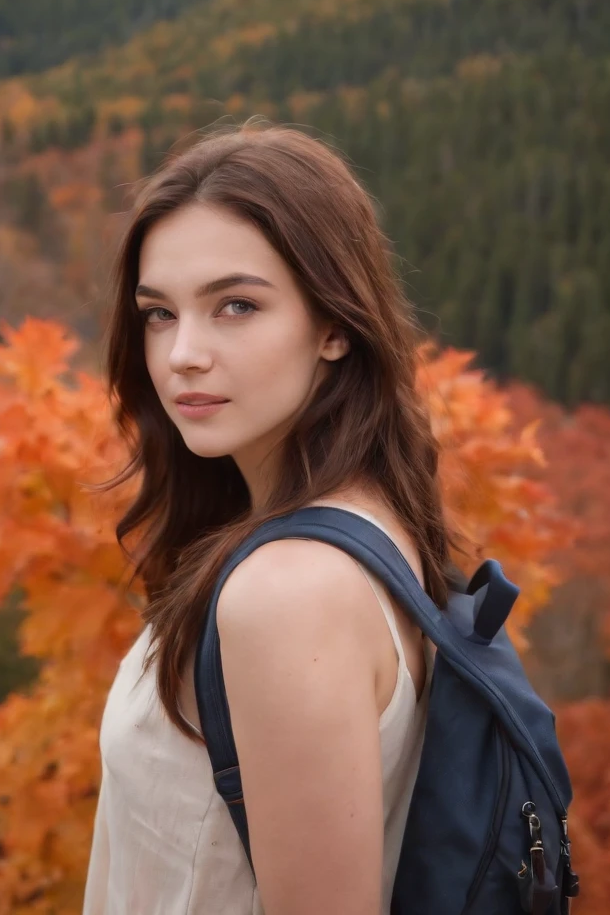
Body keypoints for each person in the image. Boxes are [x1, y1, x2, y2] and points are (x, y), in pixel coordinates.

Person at [82, 120, 460, 915]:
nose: (182, 352)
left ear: (333, 325)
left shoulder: (288, 592)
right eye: (159, 313)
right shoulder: (375, 520)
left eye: (236, 307)